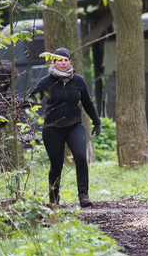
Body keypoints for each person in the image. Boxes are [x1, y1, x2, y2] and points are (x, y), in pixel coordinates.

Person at [29, 48, 101, 207]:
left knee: (81, 157)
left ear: (70, 62)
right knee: (56, 164)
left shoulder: (78, 81)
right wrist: (17, 104)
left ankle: (84, 195)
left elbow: (87, 103)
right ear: (54, 62)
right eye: (60, 60)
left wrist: (97, 122)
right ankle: (53, 199)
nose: (63, 63)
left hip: (75, 126)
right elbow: (33, 99)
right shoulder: (47, 82)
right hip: (53, 128)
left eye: (66, 60)